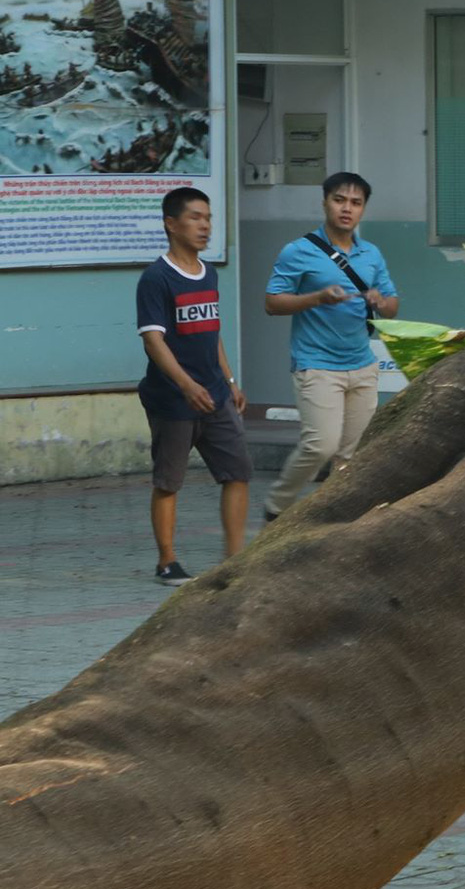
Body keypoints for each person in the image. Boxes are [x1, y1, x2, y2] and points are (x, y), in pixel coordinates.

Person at [262, 171, 399, 519]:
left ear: (363, 209)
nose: (346, 209)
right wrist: (317, 298)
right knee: (320, 445)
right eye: (339, 200)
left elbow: (393, 304)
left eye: (355, 203)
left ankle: (331, 519)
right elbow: (273, 303)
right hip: (317, 364)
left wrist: (379, 300)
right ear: (324, 202)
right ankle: (277, 507)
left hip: (363, 365)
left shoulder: (371, 253)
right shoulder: (299, 251)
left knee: (351, 457)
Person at [136, 187, 250, 585]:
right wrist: (185, 385)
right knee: (169, 482)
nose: (205, 226)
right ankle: (167, 560)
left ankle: (234, 559)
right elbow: (154, 341)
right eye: (196, 218)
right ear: (171, 224)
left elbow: (211, 332)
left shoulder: (209, 273)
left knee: (237, 472)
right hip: (173, 401)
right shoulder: (156, 278)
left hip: (216, 395)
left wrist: (230, 380)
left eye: (209, 218)